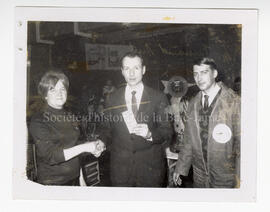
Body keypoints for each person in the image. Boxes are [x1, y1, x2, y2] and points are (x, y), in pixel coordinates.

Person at [99, 52, 173, 187]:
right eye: (127, 69)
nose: (131, 73)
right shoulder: (112, 98)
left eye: (136, 68)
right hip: (121, 170)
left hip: (150, 171)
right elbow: (106, 128)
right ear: (122, 71)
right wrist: (101, 141)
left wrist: (150, 134)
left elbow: (167, 131)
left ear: (143, 70)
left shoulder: (159, 97)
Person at [173, 57, 241, 188]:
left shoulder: (233, 101)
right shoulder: (192, 103)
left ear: (214, 73)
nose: (199, 78)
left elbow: (242, 145)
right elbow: (188, 140)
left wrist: (240, 178)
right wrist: (180, 167)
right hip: (199, 175)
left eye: (204, 72)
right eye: (195, 74)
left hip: (225, 176)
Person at [29, 70, 105, 186]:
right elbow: (50, 156)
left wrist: (81, 178)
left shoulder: (69, 116)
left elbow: (74, 146)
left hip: (74, 179)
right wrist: (84, 147)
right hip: (53, 183)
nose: (59, 93)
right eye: (53, 90)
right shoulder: (39, 120)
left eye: (62, 89)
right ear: (45, 95)